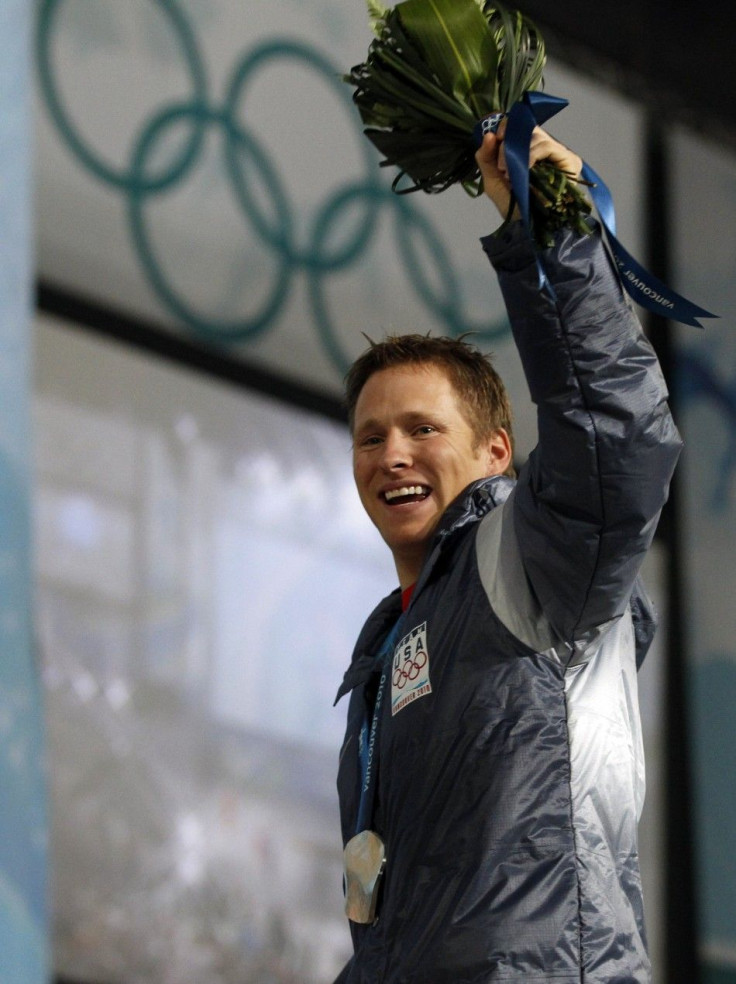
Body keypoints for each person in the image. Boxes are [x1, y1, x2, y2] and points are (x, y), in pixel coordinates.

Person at [333, 127, 682, 983]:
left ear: (497, 452)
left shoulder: (526, 557)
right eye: (370, 437)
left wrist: (553, 235)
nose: (392, 455)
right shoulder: (386, 648)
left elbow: (618, 435)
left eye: (423, 429)